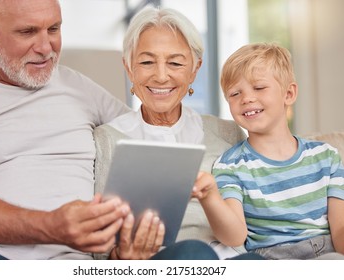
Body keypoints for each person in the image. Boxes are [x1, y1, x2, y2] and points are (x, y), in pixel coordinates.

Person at [0, 0, 217, 260]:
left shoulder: (78, 86)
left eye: (54, 29)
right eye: (27, 31)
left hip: (78, 264)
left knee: (195, 254)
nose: (46, 47)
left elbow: (147, 132)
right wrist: (51, 226)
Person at [93, 6, 264, 260]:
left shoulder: (227, 133)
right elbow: (97, 246)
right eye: (147, 62)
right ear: (129, 69)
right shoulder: (106, 141)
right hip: (164, 262)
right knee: (196, 252)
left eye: (175, 63)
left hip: (231, 260)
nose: (161, 76)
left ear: (195, 69)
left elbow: (253, 224)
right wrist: (120, 255)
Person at [192, 42, 344, 259]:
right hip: (269, 259)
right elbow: (234, 237)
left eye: (259, 87)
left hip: (325, 253)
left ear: (289, 94)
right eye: (235, 94)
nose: (246, 98)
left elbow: (340, 232)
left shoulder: (326, 157)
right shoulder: (230, 165)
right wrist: (210, 198)